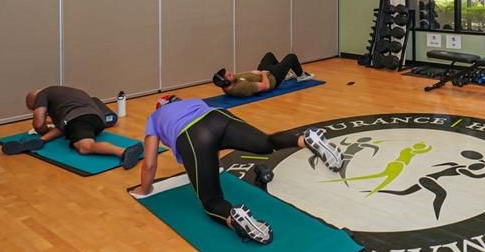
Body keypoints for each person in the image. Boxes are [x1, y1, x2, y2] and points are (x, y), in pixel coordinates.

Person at [131, 95, 343, 244]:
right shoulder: (193, 101)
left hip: (192, 136)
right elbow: (211, 136)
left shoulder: (154, 118)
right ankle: (304, 138)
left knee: (211, 201)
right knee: (266, 143)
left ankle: (235, 218)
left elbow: (150, 164)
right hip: (218, 118)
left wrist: (144, 189)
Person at [3, 86, 143, 169]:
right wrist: (43, 140)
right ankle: (125, 151)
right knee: (76, 136)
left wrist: (42, 131)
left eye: (33, 107)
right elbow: (64, 126)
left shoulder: (42, 95)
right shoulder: (66, 94)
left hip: (80, 119)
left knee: (85, 147)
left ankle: (124, 151)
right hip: (97, 119)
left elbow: (38, 123)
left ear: (34, 100)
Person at [213, 52, 314, 98]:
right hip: (272, 78)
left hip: (262, 73)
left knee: (269, 55)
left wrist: (253, 72)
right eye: (229, 75)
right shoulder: (242, 88)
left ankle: (285, 74)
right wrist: (263, 74)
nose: (232, 74)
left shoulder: (228, 84)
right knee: (291, 57)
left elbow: (240, 75)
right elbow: (266, 86)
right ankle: (301, 76)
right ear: (226, 82)